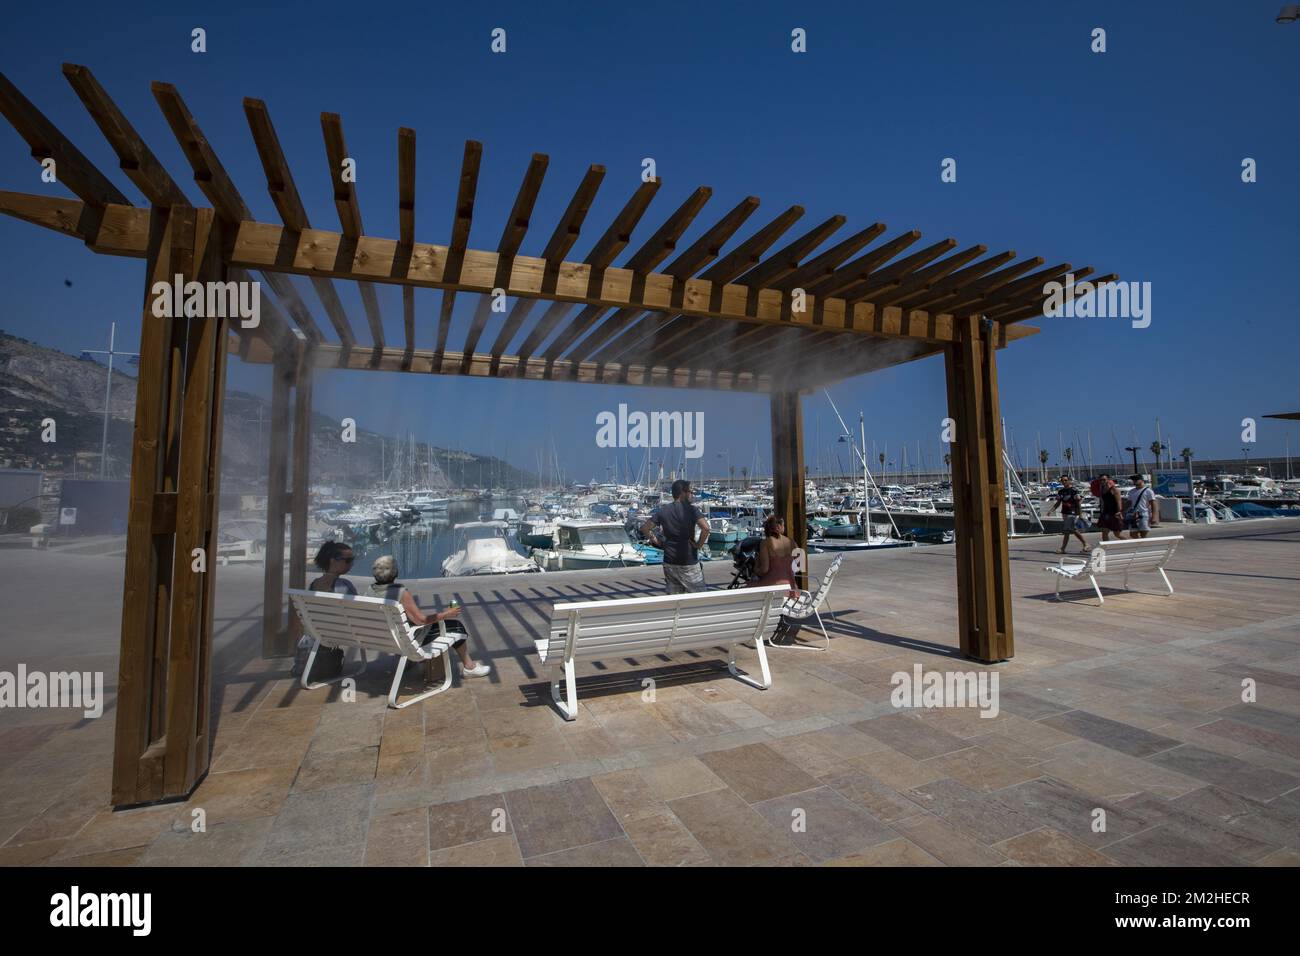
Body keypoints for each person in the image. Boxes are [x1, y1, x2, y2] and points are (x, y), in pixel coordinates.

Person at [368, 555, 490, 678]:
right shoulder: (400, 592)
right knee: (456, 626)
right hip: (406, 639)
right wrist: (446, 614)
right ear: (395, 573)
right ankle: (469, 667)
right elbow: (421, 620)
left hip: (384, 638)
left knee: (406, 626)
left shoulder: (370, 591)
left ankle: (408, 661)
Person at [293, 541, 358, 677]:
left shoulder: (314, 585)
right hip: (342, 632)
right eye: (348, 560)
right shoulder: (343, 585)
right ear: (333, 561)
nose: (352, 564)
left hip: (321, 631)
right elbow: (357, 613)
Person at [641, 479, 710, 594]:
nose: (692, 495)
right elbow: (706, 528)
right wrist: (698, 545)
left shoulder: (663, 510)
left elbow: (645, 528)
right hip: (688, 560)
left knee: (675, 599)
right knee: (700, 596)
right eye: (690, 492)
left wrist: (656, 541)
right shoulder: (692, 510)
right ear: (683, 493)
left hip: (669, 561)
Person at [748, 514, 798, 594]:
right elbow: (798, 564)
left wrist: (755, 569)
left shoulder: (766, 543)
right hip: (791, 588)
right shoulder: (792, 542)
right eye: (783, 525)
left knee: (747, 586)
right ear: (778, 526)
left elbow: (764, 569)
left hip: (773, 586)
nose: (784, 527)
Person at [1046, 475, 1090, 554]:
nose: (1064, 482)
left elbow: (1078, 503)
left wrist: (1080, 514)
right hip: (1065, 513)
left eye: (1065, 480)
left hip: (1072, 513)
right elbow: (1058, 503)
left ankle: (1063, 548)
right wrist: (1051, 510)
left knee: (1068, 531)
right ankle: (1085, 544)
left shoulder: (1074, 490)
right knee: (1072, 530)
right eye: (1062, 480)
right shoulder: (1061, 491)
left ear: (1069, 480)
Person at [1096, 473, 1126, 542]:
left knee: (1117, 534)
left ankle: (1130, 543)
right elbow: (1103, 502)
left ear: (1108, 480)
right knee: (1104, 533)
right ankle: (1105, 549)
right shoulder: (1102, 490)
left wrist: (1119, 512)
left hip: (1114, 513)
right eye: (1100, 480)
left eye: (1104, 480)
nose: (1102, 481)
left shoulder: (1114, 490)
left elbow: (1119, 502)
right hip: (1106, 513)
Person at [1124, 474, 1155, 539]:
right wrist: (1121, 511)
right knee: (1133, 533)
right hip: (1133, 515)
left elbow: (1153, 504)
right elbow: (1129, 502)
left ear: (1141, 480)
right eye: (1133, 480)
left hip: (1144, 514)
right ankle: (1139, 544)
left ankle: (1143, 546)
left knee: (1143, 533)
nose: (1134, 481)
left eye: (1136, 479)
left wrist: (1153, 517)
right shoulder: (1131, 491)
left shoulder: (1148, 491)